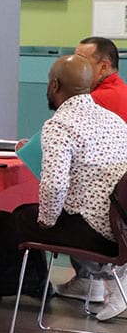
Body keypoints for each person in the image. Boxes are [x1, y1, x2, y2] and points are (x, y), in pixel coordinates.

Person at [13, 54, 127, 321]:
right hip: (120, 225)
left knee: (19, 219)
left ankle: (103, 280)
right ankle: (105, 278)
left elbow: (54, 186)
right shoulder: (114, 121)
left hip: (96, 231)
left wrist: (46, 221)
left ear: (54, 86)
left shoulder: (59, 125)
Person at [55, 36, 127, 302]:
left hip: (102, 208)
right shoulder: (121, 91)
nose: (73, 65)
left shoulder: (96, 101)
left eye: (81, 60)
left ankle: (89, 279)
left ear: (104, 66)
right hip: (118, 206)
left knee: (62, 200)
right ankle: (90, 280)